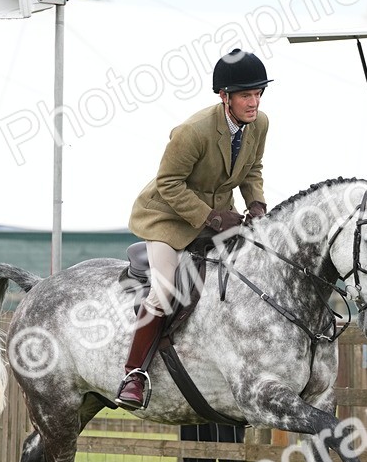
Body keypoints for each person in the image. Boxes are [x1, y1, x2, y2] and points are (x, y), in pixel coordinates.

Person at [115, 49, 273, 410]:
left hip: (219, 217)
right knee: (165, 291)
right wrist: (212, 218)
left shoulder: (259, 124)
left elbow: (252, 169)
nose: (254, 102)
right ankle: (134, 375)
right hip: (167, 218)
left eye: (258, 93)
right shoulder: (193, 131)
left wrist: (257, 206)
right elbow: (169, 183)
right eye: (246, 95)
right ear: (225, 97)